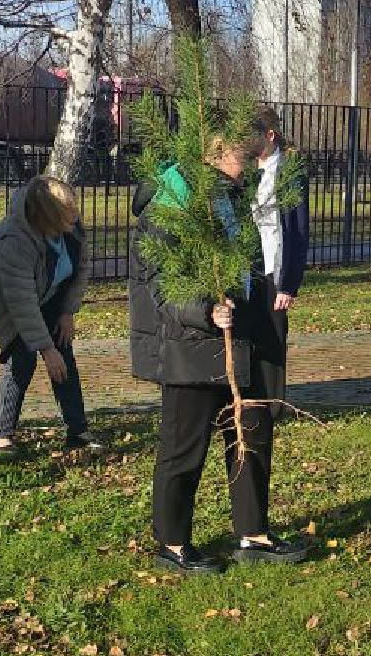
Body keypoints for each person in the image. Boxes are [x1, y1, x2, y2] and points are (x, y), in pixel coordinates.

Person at [130, 131, 311, 575]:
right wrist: (204, 311)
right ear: (213, 152)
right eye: (241, 153)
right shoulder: (172, 202)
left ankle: (253, 533)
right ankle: (172, 543)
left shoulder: (231, 194)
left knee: (252, 432)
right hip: (192, 340)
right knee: (184, 446)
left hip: (243, 332)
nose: (249, 160)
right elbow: (158, 281)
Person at [0, 175, 102, 454]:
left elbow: (80, 269)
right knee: (22, 359)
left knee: (64, 354)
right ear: (46, 216)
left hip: (45, 289)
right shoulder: (14, 240)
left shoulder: (71, 227)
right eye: (67, 214)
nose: (75, 218)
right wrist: (46, 348)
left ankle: (77, 430)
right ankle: (2, 432)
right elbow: (22, 303)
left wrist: (67, 312)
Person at [248, 106, 309, 406]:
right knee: (251, 333)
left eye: (253, 136)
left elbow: (298, 230)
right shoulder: (245, 170)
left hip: (275, 265)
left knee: (273, 334)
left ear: (270, 135)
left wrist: (288, 285)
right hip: (248, 265)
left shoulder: (288, 172)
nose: (247, 143)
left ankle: (272, 404)